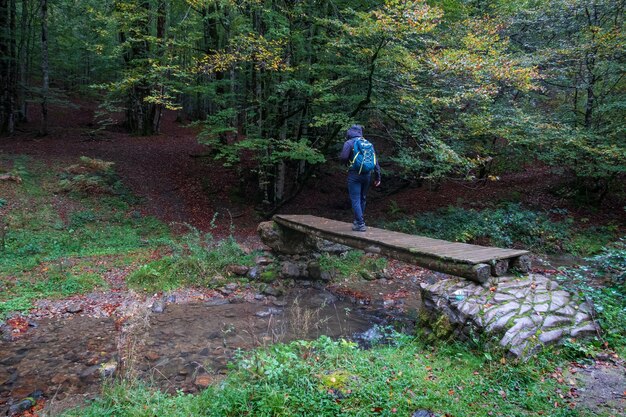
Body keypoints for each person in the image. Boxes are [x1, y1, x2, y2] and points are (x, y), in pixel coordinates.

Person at [339, 125, 381, 232]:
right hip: (367, 174)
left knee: (355, 198)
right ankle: (358, 222)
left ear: (350, 132)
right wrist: (378, 177)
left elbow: (343, 157)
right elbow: (375, 161)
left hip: (354, 174)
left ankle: (361, 224)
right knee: (362, 198)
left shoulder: (349, 143)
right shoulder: (368, 144)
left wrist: (346, 164)